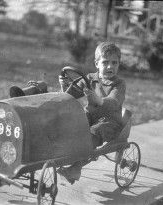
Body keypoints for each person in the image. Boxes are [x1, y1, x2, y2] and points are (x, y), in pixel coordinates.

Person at [57, 42, 126, 184]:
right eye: (105, 62)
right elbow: (72, 94)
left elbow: (114, 101)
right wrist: (64, 86)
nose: (110, 66)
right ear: (96, 63)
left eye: (114, 63)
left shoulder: (119, 83)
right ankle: (65, 152)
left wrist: (99, 100)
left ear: (119, 64)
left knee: (93, 132)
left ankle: (76, 168)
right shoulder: (90, 78)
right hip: (92, 116)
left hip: (111, 122)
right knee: (73, 122)